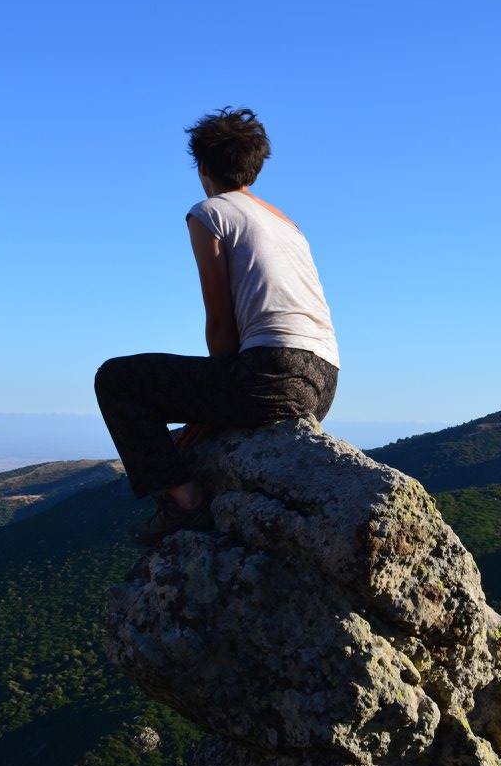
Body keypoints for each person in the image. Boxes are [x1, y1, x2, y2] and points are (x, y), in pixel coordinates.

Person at [94, 106, 339, 546]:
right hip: (323, 384)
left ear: (203, 166)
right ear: (255, 166)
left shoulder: (210, 213)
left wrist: (212, 402)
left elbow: (220, 318)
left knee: (116, 379)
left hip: (269, 372)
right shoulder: (287, 224)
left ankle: (184, 501)